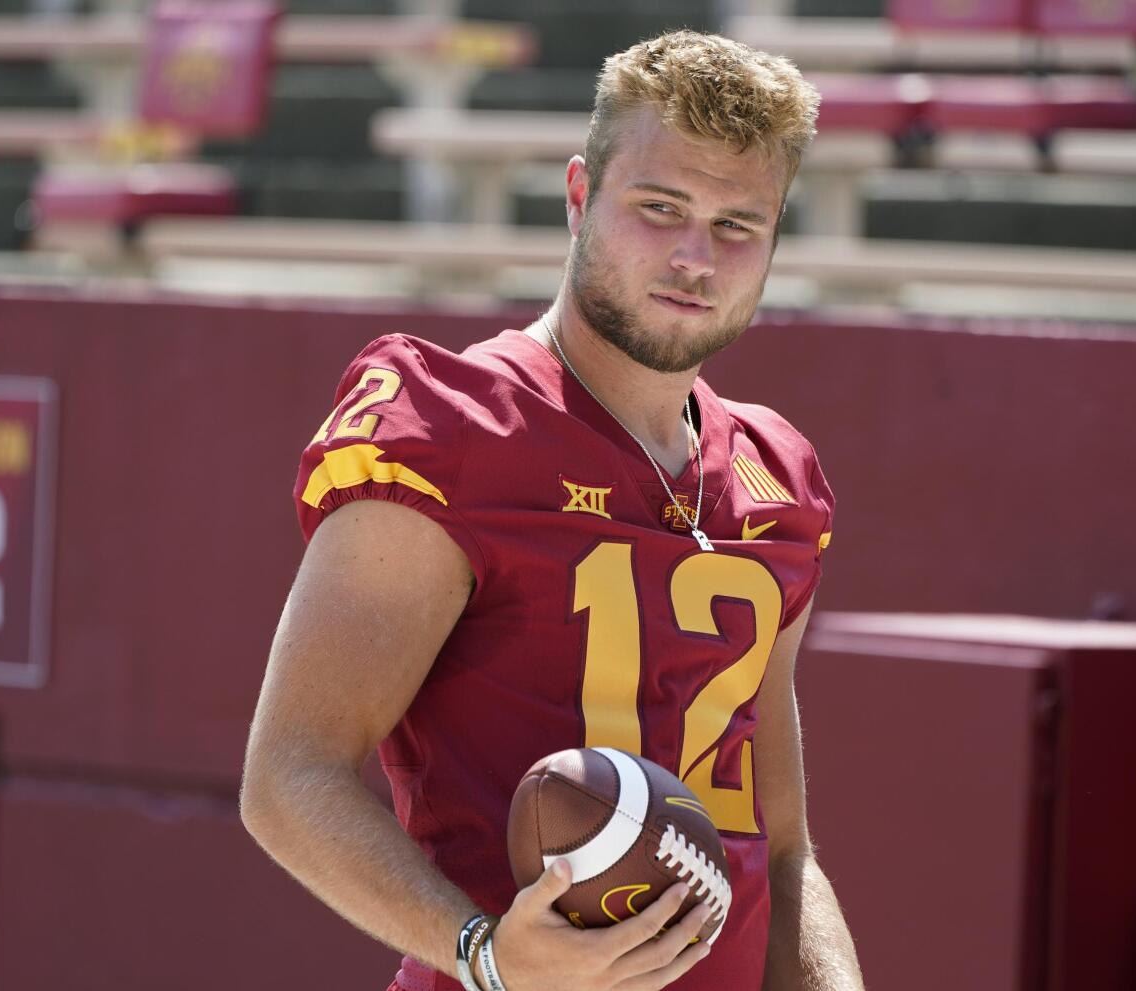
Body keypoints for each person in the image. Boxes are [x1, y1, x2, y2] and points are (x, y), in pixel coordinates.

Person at [240, 29, 864, 991]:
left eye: (738, 224)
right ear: (578, 198)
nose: (695, 257)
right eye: (660, 208)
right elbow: (290, 776)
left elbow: (782, 850)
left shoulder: (778, 475)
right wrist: (486, 957)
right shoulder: (453, 426)